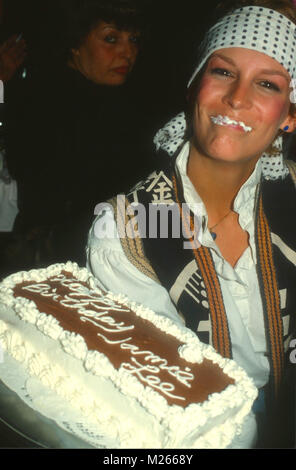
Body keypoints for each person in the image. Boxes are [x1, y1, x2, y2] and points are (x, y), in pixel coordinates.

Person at [87, 0, 296, 448]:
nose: (238, 98)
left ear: (290, 115)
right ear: (193, 86)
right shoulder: (129, 230)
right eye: (222, 72)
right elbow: (162, 405)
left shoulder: (290, 199)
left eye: (267, 84)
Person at [5, 0, 154, 273]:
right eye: (111, 39)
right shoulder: (46, 100)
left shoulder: (119, 104)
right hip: (53, 263)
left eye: (134, 39)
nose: (128, 51)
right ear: (75, 43)